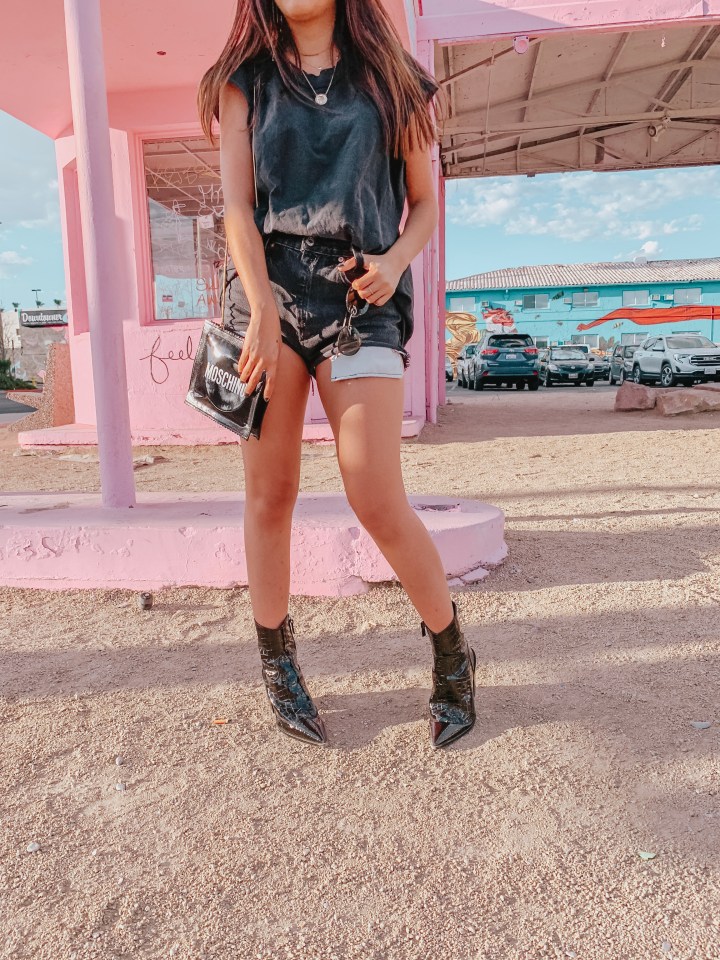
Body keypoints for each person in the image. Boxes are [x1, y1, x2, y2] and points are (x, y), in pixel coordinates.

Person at [198, 0, 476, 749]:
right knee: (270, 494)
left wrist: (395, 261)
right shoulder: (244, 82)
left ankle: (453, 655)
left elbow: (424, 204)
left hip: (361, 295)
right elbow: (236, 208)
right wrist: (259, 306)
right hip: (268, 296)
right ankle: (278, 664)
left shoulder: (393, 79)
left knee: (375, 494)